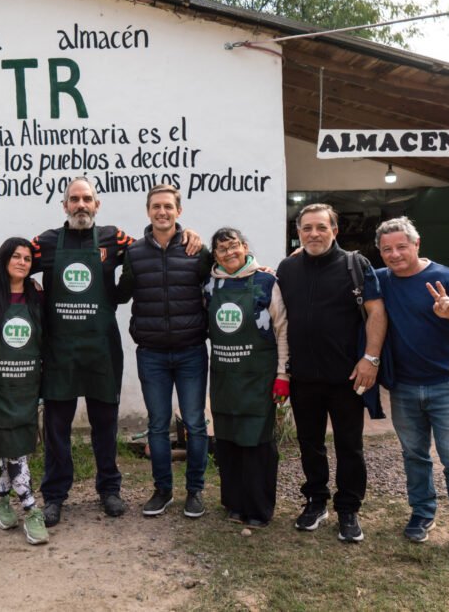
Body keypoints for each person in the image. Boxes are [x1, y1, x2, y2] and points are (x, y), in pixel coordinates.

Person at [32, 176, 199, 527]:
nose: (81, 205)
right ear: (64, 205)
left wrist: (189, 236)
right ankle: (55, 497)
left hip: (101, 349)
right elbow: (11, 263)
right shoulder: (46, 243)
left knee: (105, 426)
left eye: (87, 199)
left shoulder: (115, 238)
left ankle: (109, 490)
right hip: (60, 350)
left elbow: (153, 245)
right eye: (74, 199)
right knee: (57, 428)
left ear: (97, 204)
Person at [375, 216, 449, 564]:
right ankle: (422, 513)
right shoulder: (380, 281)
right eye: (386, 249)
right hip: (404, 388)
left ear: (417, 244)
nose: (394, 255)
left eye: (401, 247)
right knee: (414, 455)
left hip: (447, 385)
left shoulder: (444, 277)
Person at [276, 203, 386, 543]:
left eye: (321, 227)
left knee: (349, 445)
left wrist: (371, 358)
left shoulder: (356, 265)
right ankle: (316, 501)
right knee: (310, 444)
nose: (314, 233)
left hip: (347, 377)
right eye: (307, 228)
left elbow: (377, 313)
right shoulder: (288, 268)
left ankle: (349, 509)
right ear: (298, 233)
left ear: (334, 231)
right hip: (304, 377)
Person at [117, 184, 213, 519]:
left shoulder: (197, 250)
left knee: (195, 424)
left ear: (178, 211)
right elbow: (121, 294)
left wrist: (259, 270)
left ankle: (195, 491)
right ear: (148, 211)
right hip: (152, 353)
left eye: (168, 207)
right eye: (156, 206)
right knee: (157, 425)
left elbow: (223, 275)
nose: (162, 212)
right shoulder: (135, 252)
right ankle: (163, 491)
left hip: (191, 351)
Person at [204, 228, 289, 527]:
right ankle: (234, 503)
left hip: (258, 378)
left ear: (245, 247)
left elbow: (282, 329)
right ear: (214, 255)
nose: (230, 253)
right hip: (225, 378)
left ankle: (258, 508)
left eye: (234, 246)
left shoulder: (267, 282)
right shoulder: (210, 285)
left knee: (257, 444)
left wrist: (283, 374)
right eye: (222, 249)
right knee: (227, 442)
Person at [0, 237, 48, 545]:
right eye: (15, 256)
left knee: (16, 443)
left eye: (27, 259)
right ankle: (31, 508)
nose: (21, 262)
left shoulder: (36, 296)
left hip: (27, 383)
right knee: (14, 446)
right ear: (3, 259)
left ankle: (1, 501)